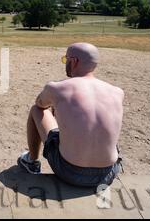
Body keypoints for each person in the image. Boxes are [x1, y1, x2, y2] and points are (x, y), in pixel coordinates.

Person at [18, 43, 124, 187]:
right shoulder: (117, 92)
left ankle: (31, 161)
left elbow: (40, 104)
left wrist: (57, 108)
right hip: (108, 173)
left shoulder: (57, 88)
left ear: (73, 62)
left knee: (36, 110)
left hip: (69, 172)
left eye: (65, 59)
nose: (65, 63)